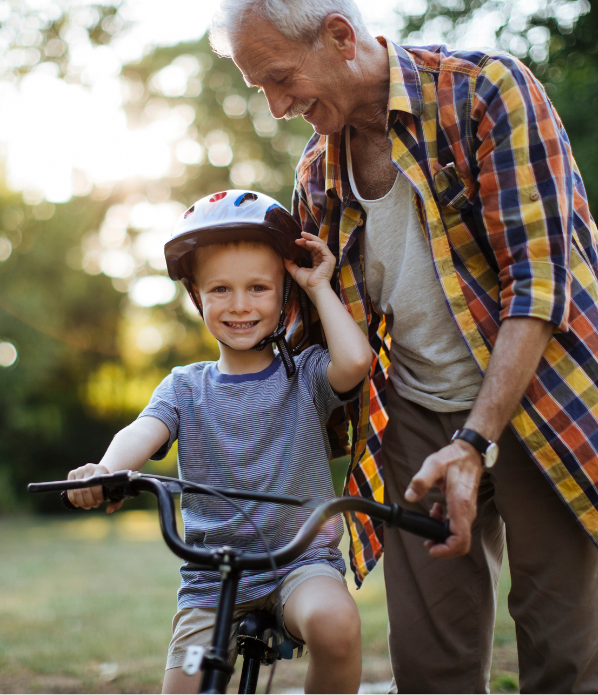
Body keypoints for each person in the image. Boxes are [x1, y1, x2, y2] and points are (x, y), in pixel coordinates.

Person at [210, 0, 598, 692]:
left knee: (567, 661)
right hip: (415, 416)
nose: (277, 107)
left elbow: (538, 285)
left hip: (547, 396)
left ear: (338, 36)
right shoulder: (317, 175)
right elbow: (317, 338)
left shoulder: (486, 93)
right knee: (429, 670)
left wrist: (475, 440)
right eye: (261, 88)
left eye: (280, 79)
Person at [66, 190, 373, 694]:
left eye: (259, 288)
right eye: (220, 290)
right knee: (186, 683)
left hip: (301, 564)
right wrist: (106, 470)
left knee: (336, 624)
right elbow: (141, 431)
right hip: (211, 581)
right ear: (196, 297)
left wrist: (318, 285)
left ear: (284, 293)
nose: (240, 305)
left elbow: (357, 362)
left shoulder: (308, 373)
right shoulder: (186, 387)